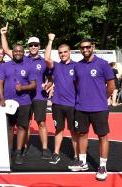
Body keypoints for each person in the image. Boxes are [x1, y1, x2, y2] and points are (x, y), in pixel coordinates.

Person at [1, 23, 52, 159]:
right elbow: (6, 49)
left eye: (36, 45)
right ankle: (22, 148)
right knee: (25, 124)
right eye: (31, 45)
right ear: (27, 47)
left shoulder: (43, 61)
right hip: (25, 97)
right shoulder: (22, 58)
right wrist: (4, 34)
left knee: (41, 123)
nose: (33, 47)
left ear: (39, 46)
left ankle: (45, 149)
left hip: (39, 96)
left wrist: (50, 84)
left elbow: (50, 77)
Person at [68, 39, 115, 181]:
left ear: (93, 47)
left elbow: (111, 86)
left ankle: (102, 166)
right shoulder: (77, 66)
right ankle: (82, 162)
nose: (85, 49)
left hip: (99, 108)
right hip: (81, 107)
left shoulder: (103, 64)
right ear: (80, 49)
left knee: (103, 137)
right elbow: (77, 84)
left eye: (88, 47)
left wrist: (101, 98)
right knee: (82, 134)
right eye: (82, 47)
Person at [0, 44, 36, 165]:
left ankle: (18, 152)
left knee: (21, 127)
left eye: (20, 51)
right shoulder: (5, 66)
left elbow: (34, 84)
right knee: (9, 127)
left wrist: (23, 88)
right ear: (12, 53)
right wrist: (2, 98)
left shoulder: (29, 66)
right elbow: (0, 83)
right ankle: (9, 150)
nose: (18, 53)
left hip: (24, 102)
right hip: (8, 103)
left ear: (23, 53)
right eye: (15, 51)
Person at [44, 33, 78, 165]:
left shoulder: (77, 66)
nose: (63, 54)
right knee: (58, 129)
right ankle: (56, 153)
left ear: (69, 52)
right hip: (57, 103)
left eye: (65, 52)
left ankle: (76, 156)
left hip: (72, 104)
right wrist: (50, 40)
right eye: (60, 53)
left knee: (74, 131)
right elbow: (46, 57)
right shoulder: (56, 66)